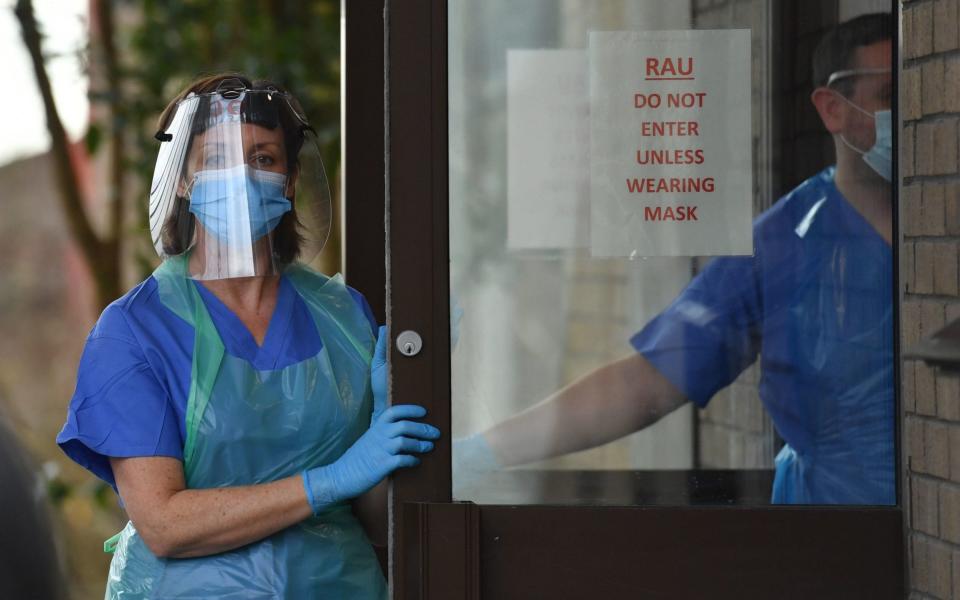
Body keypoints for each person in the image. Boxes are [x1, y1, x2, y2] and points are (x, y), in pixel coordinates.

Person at [457, 13, 894, 505]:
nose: (910, 115)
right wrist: (482, 453)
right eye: (891, 98)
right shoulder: (784, 245)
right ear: (832, 108)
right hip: (846, 541)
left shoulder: (937, 226)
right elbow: (647, 382)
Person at [56, 74, 440, 598]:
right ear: (183, 181)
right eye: (216, 160)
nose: (240, 178)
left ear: (289, 180)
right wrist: (330, 479)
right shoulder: (134, 332)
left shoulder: (343, 318)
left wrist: (389, 435)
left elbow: (375, 517)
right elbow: (165, 525)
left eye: (262, 158)